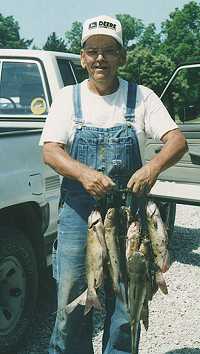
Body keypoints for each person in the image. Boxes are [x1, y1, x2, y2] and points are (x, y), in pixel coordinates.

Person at [40, 15, 187, 354]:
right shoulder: (67, 98)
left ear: (122, 56)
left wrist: (152, 167)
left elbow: (177, 141)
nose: (100, 58)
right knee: (72, 301)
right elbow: (50, 150)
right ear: (82, 57)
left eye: (109, 50)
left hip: (129, 217)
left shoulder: (142, 98)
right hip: (80, 215)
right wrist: (83, 174)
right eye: (92, 51)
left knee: (125, 301)